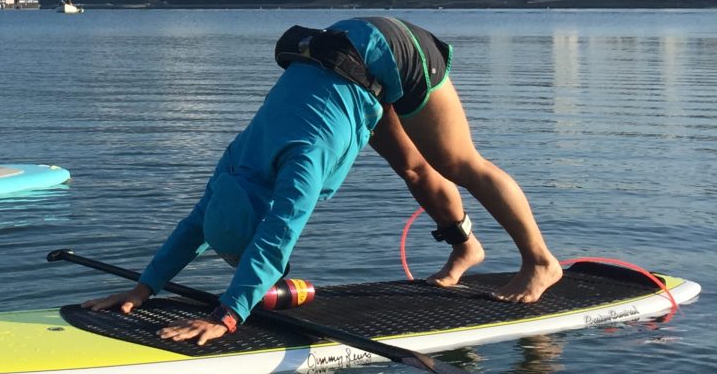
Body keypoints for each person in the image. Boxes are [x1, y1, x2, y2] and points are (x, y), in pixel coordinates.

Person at [84, 17, 561, 346]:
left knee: (457, 162)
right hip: (344, 61)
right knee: (414, 168)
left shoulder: (302, 166)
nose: (237, 260)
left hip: (393, 50)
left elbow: (275, 239)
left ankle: (540, 262)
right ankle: (465, 247)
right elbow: (194, 226)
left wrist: (226, 315)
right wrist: (143, 288)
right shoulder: (235, 165)